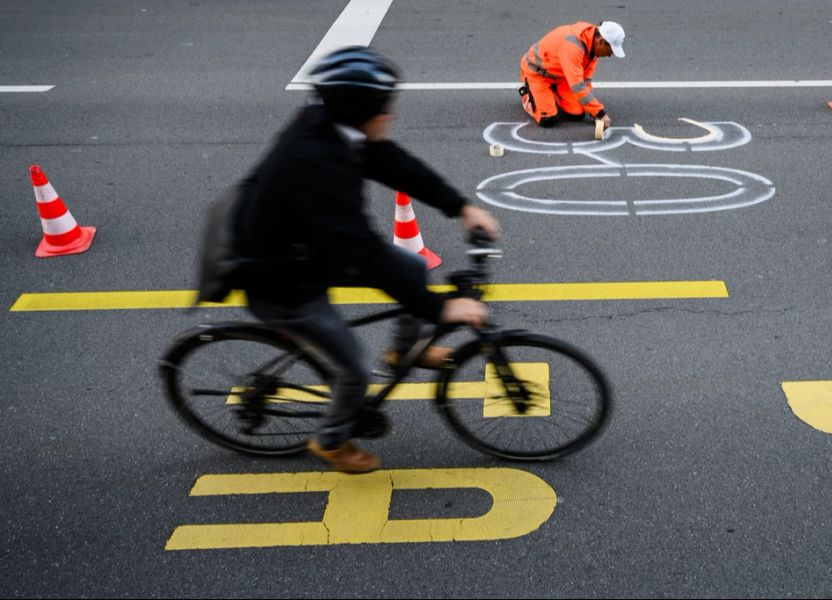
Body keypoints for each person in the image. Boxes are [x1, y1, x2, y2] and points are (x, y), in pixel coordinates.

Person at [231, 46, 500, 474]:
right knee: (354, 370)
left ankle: (402, 349)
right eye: (383, 108)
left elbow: (393, 163)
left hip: (304, 247)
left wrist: (461, 207)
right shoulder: (316, 163)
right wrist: (439, 308)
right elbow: (363, 250)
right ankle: (331, 441)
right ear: (359, 111)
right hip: (279, 279)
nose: (390, 115)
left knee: (412, 266)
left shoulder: (334, 126)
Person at [518, 20, 625, 130]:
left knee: (576, 115)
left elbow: (585, 81)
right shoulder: (572, 46)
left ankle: (552, 92)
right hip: (538, 74)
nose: (609, 55)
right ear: (601, 42)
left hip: (562, 76)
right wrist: (600, 114)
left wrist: (592, 111)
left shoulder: (592, 45)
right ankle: (527, 94)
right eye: (610, 51)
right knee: (548, 119)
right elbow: (578, 86)